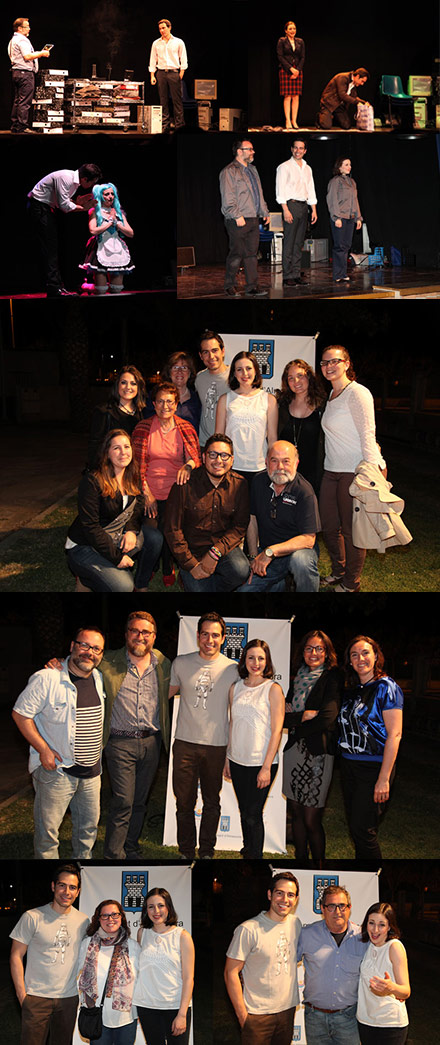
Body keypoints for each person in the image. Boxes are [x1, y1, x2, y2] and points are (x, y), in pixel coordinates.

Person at [45, 611, 171, 862]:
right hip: (119, 743)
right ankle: (114, 853)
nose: (140, 636)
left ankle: (131, 847)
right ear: (126, 634)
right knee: (123, 799)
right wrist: (59, 661)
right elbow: (82, 660)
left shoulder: (163, 662)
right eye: (134, 630)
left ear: (154, 637)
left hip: (152, 742)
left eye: (145, 632)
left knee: (140, 801)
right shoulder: (109, 660)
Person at [12, 629, 105, 859]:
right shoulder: (47, 678)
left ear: (101, 654)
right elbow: (20, 714)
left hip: (92, 773)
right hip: (58, 772)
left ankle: (83, 871)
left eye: (96, 649)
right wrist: (43, 749)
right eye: (84, 645)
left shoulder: (98, 677)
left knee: (88, 832)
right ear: (72, 645)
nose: (89, 653)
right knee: (48, 836)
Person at [168, 611, 239, 860]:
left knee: (212, 802)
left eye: (216, 635)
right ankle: (186, 851)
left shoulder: (234, 669)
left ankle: (207, 851)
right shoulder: (180, 663)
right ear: (198, 636)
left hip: (216, 746)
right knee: (184, 803)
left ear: (223, 638)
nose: (210, 640)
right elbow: (161, 693)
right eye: (205, 634)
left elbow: (245, 706)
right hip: (185, 744)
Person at [319, 345, 386, 592]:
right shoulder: (332, 395)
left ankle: (351, 583)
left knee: (351, 531)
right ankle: (339, 570)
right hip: (331, 470)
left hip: (354, 470)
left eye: (334, 361)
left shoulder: (358, 393)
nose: (328, 366)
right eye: (324, 363)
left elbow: (368, 433)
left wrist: (376, 466)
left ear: (347, 363)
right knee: (328, 526)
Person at [66, 430, 162, 593]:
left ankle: (141, 585)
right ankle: (86, 577)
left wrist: (131, 530)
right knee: (123, 587)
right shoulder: (92, 481)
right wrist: (117, 558)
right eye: (116, 448)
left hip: (115, 534)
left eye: (126, 446)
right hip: (85, 545)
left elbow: (138, 505)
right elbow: (90, 527)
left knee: (154, 538)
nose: (123, 452)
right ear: (107, 453)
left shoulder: (132, 474)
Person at [339, 635, 404, 860]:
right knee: (356, 829)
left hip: (374, 767)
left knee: (364, 830)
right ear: (349, 661)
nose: (360, 658)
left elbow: (395, 734)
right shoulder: (352, 689)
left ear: (376, 656)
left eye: (366, 652)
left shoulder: (387, 688)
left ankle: (370, 876)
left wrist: (384, 777)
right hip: (349, 766)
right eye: (354, 655)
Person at [10, 863, 89, 1045]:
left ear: (78, 891)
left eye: (72, 887)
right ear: (53, 886)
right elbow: (16, 955)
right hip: (36, 997)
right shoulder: (32, 917)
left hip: (68, 999)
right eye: (62, 885)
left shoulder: (83, 921)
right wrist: (22, 996)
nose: (66, 892)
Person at [283, 630, 344, 864]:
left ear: (327, 653)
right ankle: (300, 860)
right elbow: (283, 717)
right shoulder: (297, 677)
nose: (314, 653)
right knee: (296, 814)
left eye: (319, 648)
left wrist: (296, 721)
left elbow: (328, 716)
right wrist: (301, 717)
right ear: (303, 651)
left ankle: (319, 864)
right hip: (293, 752)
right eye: (309, 648)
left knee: (311, 819)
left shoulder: (333, 677)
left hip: (318, 752)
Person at [132, 382, 201, 586]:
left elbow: (195, 457)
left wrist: (187, 465)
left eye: (169, 401)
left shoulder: (185, 427)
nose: (165, 406)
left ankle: (167, 566)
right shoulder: (143, 428)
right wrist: (147, 494)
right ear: (153, 403)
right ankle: (153, 567)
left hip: (176, 491)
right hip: (147, 490)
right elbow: (134, 466)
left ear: (176, 404)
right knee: (153, 533)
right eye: (160, 401)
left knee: (171, 527)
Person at [164, 433, 250, 591]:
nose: (218, 461)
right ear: (203, 457)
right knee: (199, 589)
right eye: (213, 454)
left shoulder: (240, 485)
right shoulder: (184, 484)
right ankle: (189, 577)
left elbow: (240, 526)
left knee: (241, 570)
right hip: (192, 552)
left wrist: (215, 552)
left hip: (222, 549)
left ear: (232, 460)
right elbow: (172, 529)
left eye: (224, 456)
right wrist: (190, 564)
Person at [224, 639, 285, 859]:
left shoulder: (273, 689)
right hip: (237, 760)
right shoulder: (235, 688)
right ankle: (247, 849)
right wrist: (227, 759)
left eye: (260, 658)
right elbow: (232, 723)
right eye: (251, 657)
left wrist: (267, 767)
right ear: (244, 660)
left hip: (262, 762)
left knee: (253, 813)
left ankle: (255, 856)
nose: (255, 662)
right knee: (243, 812)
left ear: (267, 661)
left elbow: (277, 730)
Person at [225, 872, 301, 1044]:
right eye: (279, 893)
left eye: (290, 895)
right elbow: (230, 972)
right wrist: (243, 1016)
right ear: (269, 894)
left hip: (287, 1012)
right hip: (257, 1015)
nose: (284, 899)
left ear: (296, 899)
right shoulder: (248, 929)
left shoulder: (295, 924)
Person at [237, 440, 321, 592]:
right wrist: (254, 556)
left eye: (286, 461)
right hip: (266, 552)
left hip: (297, 550)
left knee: (301, 562)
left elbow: (309, 539)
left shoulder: (304, 491)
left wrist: (271, 552)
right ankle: (281, 583)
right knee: (245, 591)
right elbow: (252, 519)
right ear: (266, 462)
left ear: (296, 463)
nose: (280, 467)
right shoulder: (258, 481)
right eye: (274, 461)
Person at [298, 883, 367, 1045]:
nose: (337, 912)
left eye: (342, 906)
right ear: (322, 909)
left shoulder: (364, 938)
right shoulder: (306, 935)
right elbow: (285, 962)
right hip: (315, 1018)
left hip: (349, 1018)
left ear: (349, 908)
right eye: (331, 906)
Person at [28, 163, 102, 297]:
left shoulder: (74, 183)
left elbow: (64, 201)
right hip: (39, 207)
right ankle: (54, 288)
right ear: (85, 179)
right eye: (92, 182)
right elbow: (64, 206)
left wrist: (78, 202)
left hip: (46, 208)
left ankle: (56, 286)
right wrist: (83, 208)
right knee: (50, 248)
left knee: (52, 247)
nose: (91, 186)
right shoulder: (66, 178)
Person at [134, 887, 195, 1045]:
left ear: (169, 907)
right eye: (151, 906)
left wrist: (182, 1014)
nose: (156, 911)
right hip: (147, 1006)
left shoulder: (182, 936)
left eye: (161, 905)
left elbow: (189, 978)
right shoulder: (142, 933)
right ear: (146, 910)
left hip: (175, 1006)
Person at [77, 899, 139, 1045]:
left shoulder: (133, 946)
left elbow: (142, 981)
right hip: (96, 1017)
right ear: (98, 919)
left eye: (114, 915)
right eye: (105, 915)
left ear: (121, 917)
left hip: (126, 1019)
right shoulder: (88, 944)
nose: (110, 919)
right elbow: (77, 974)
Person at [216, 352, 278, 484]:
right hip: (231, 467)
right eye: (239, 369)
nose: (244, 373)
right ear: (234, 373)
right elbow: (218, 436)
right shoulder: (225, 400)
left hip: (259, 467)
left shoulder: (269, 400)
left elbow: (272, 438)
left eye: (248, 368)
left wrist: (272, 464)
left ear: (256, 370)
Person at [219, 139, 270, 298]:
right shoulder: (229, 171)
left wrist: (265, 211)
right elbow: (228, 197)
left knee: (251, 255)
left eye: (252, 149)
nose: (253, 152)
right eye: (249, 149)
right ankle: (230, 285)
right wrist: (236, 215)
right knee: (236, 254)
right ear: (239, 151)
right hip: (238, 219)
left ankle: (252, 286)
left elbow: (258, 193)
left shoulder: (253, 170)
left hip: (253, 218)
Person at [357, 903, 410, 1045]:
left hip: (390, 1024)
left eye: (381, 925)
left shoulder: (394, 947)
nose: (375, 930)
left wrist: (390, 987)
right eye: (371, 923)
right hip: (365, 1022)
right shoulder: (367, 946)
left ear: (389, 927)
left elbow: (405, 991)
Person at [277, 358, 326, 492]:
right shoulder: (281, 405)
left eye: (300, 376)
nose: (296, 382)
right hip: (285, 472)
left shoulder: (322, 406)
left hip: (314, 473)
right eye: (291, 378)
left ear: (309, 377)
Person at [276, 139, 317, 288]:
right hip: (291, 205)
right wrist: (285, 209)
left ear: (305, 151)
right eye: (295, 148)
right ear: (291, 149)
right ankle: (287, 276)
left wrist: (314, 209)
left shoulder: (307, 168)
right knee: (289, 242)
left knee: (299, 243)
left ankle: (296, 273)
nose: (298, 151)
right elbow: (280, 190)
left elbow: (311, 189)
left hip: (303, 206)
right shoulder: (284, 167)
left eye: (301, 148)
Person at [88, 366, 147, 470]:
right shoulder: (103, 412)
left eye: (133, 383)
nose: (128, 387)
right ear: (117, 385)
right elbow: (95, 447)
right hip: (109, 471)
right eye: (123, 382)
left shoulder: (143, 413)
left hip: (133, 471)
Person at [80, 183, 134, 295]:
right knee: (101, 290)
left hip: (116, 248)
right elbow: (93, 230)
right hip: (101, 246)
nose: (110, 196)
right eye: (106, 194)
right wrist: (109, 223)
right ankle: (86, 286)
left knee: (116, 289)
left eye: (112, 194)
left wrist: (117, 224)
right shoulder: (95, 211)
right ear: (100, 196)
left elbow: (131, 233)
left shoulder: (119, 213)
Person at [8, 17, 50, 133]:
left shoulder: (13, 40)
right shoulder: (22, 40)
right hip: (24, 73)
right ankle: (22, 126)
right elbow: (27, 56)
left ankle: (16, 125)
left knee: (18, 100)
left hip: (17, 72)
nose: (29, 29)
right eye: (27, 27)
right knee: (25, 101)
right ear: (20, 28)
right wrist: (41, 53)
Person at [326, 158, 363, 282]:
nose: (349, 167)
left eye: (350, 165)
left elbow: (355, 201)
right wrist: (336, 217)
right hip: (340, 217)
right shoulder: (335, 181)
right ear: (339, 167)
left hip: (350, 218)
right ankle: (338, 274)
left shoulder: (352, 182)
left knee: (346, 246)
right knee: (339, 246)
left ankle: (343, 274)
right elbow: (332, 200)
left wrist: (358, 218)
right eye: (346, 164)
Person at [149, 18, 187, 131]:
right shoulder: (156, 43)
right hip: (161, 73)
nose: (162, 30)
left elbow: (183, 58)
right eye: (160, 29)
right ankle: (164, 126)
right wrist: (152, 75)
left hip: (174, 72)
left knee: (177, 101)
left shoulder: (178, 42)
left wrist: (181, 74)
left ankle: (179, 126)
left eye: (164, 28)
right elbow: (153, 59)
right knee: (163, 100)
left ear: (169, 28)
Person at [195, 331, 230, 447]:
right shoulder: (199, 378)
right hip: (204, 444)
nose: (211, 357)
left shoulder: (235, 377)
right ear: (200, 356)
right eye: (206, 352)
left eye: (214, 350)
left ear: (223, 351)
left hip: (229, 446)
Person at [276, 21, 305, 129]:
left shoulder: (300, 41)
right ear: (286, 31)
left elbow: (302, 57)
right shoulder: (282, 41)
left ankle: (294, 121)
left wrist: (297, 70)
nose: (293, 31)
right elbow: (280, 56)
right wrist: (290, 69)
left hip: (298, 70)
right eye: (290, 29)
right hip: (286, 70)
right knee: (287, 96)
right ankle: (288, 121)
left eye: (294, 28)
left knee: (296, 96)